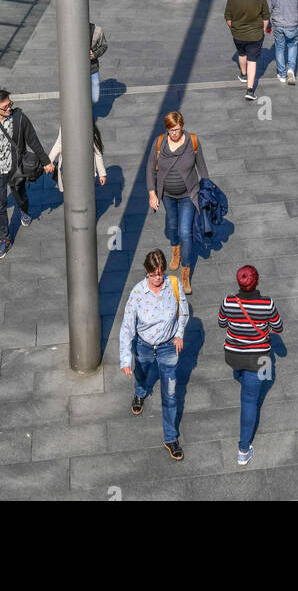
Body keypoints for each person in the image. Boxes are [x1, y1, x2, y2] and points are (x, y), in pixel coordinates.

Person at [119, 248, 188, 462]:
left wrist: (179, 334)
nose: (158, 278)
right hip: (144, 346)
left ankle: (170, 437)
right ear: (147, 272)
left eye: (160, 273)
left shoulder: (173, 285)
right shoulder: (138, 293)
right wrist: (125, 359)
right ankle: (140, 392)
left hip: (168, 347)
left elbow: (183, 311)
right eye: (153, 274)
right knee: (142, 373)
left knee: (170, 394)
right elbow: (127, 327)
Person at [0, 87, 54, 258]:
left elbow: (33, 140)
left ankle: (24, 209)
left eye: (10, 104)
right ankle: (4, 239)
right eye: (5, 107)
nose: (9, 108)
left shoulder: (19, 118)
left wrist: (45, 161)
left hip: (16, 168)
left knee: (20, 194)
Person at [218, 264, 284, 467]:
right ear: (256, 281)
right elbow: (278, 328)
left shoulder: (228, 301)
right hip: (260, 358)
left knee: (243, 376)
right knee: (250, 402)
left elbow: (222, 323)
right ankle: (243, 449)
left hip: (233, 355)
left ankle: (241, 376)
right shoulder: (267, 304)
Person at [146, 110, 210, 296]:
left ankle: (185, 272)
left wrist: (206, 192)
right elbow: (150, 168)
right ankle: (176, 249)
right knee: (173, 225)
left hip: (189, 195)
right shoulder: (159, 143)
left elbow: (203, 169)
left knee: (185, 232)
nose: (175, 134)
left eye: (178, 129)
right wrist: (152, 193)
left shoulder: (192, 141)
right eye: (172, 130)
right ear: (166, 129)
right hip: (166, 195)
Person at [225, 0, 270, 101]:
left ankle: (243, 75)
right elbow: (266, 16)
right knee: (252, 60)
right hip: (255, 35)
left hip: (238, 34)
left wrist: (233, 28)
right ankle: (250, 90)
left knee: (241, 54)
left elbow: (228, 17)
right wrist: (263, 29)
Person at [49, 122, 107, 191]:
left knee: (84, 192)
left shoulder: (88, 126)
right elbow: (59, 143)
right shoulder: (66, 124)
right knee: (71, 192)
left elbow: (97, 153)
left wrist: (102, 173)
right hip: (69, 170)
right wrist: (48, 161)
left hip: (85, 171)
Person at [89, 21, 107, 113]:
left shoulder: (97, 31)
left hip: (93, 68)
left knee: (95, 98)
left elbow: (104, 45)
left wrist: (95, 54)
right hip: (77, 70)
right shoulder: (71, 31)